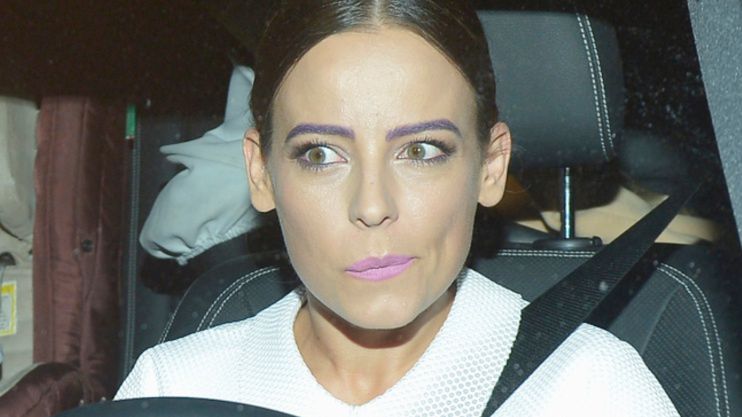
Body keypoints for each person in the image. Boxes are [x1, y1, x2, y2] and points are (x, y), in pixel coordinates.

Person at [115, 1, 680, 416]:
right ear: (261, 173)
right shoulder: (175, 391)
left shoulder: (590, 391)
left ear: (490, 166)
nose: (372, 205)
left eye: (421, 151)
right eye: (320, 154)